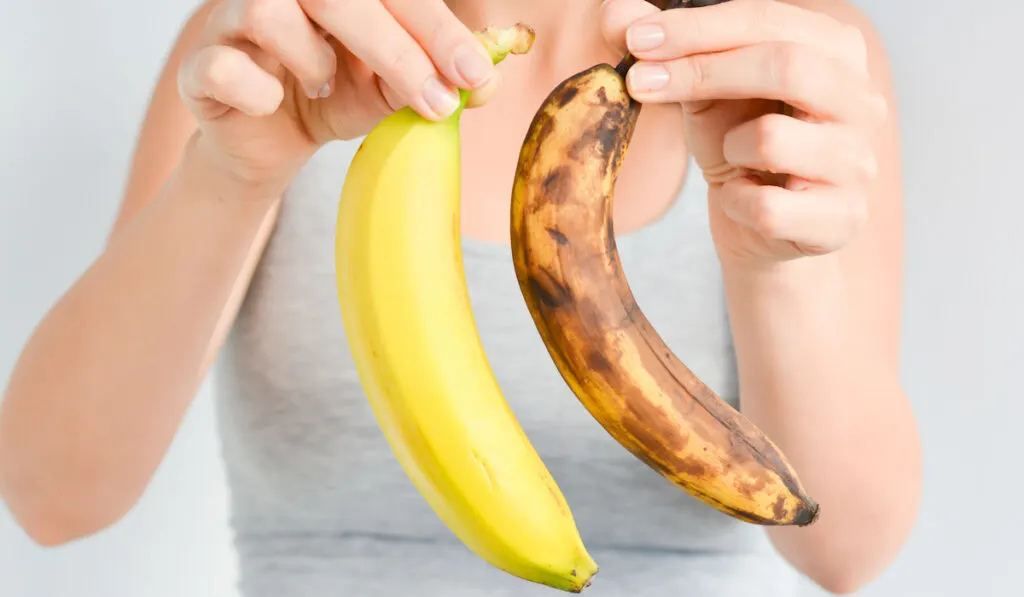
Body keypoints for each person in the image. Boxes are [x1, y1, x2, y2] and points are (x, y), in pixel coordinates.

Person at [0, 0, 922, 594]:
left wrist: (776, 261)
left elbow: (845, 548)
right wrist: (229, 176)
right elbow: (51, 496)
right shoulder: (279, 38)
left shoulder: (786, 56)